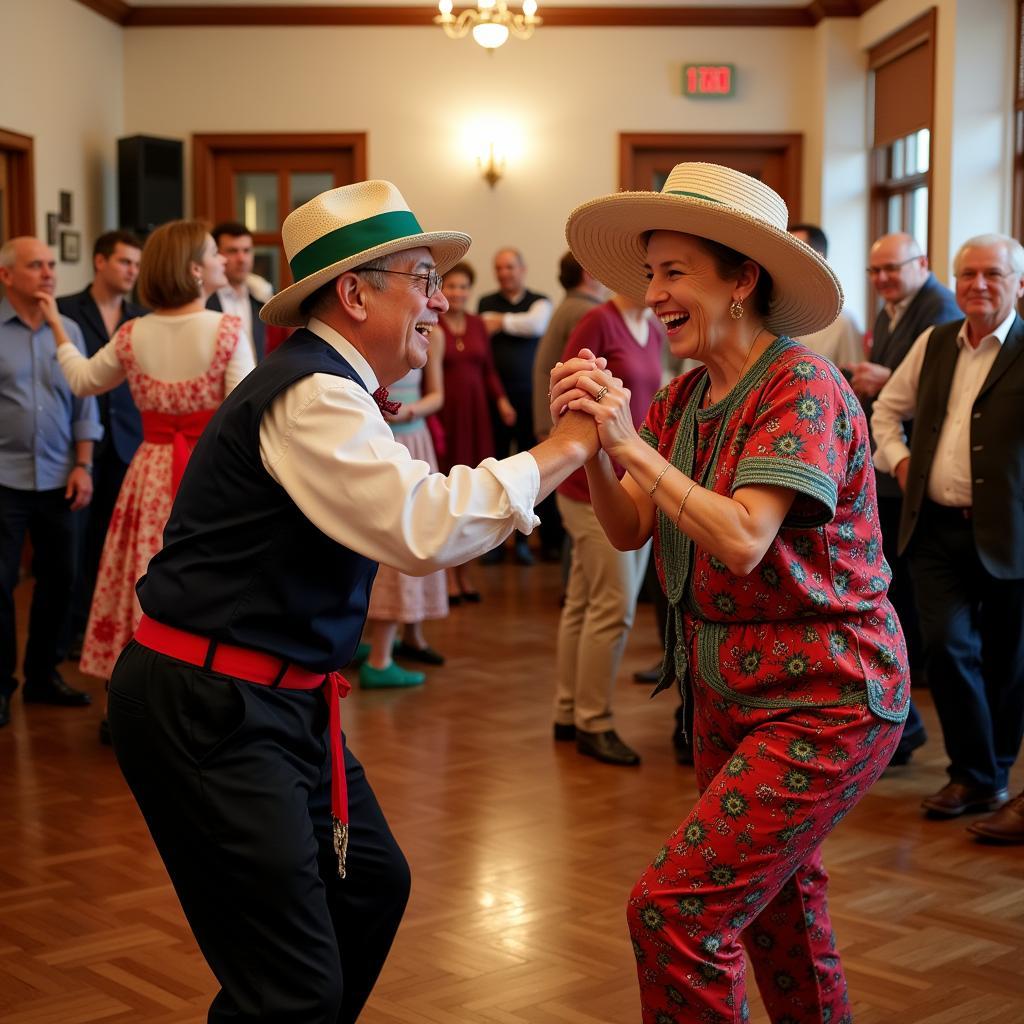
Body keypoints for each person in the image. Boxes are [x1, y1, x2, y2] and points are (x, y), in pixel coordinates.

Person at [105, 180, 601, 1024]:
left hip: (279, 698)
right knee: (294, 983)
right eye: (422, 276)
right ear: (355, 292)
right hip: (212, 705)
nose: (441, 299)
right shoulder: (312, 392)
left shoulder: (334, 385)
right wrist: (564, 447)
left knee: (369, 888)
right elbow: (422, 526)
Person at [554, 163, 909, 1022]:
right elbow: (636, 528)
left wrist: (634, 446)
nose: (656, 293)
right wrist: (604, 447)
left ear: (742, 277)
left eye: (676, 271)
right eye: (650, 275)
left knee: (673, 914)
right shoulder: (682, 397)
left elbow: (746, 537)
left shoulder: (803, 388)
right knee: (778, 912)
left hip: (826, 697)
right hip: (728, 693)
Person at [47, 220, 254, 699]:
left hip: (149, 472)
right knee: (207, 578)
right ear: (194, 271)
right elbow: (246, 416)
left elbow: (80, 380)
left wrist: (58, 329)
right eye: (213, 254)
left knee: (142, 572)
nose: (223, 260)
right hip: (209, 476)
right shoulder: (227, 330)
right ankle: (201, 689)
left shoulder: (131, 333)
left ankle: (135, 693)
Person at [871, 232, 1024, 843]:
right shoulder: (935, 342)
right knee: (945, 648)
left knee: (1007, 663)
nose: (978, 285)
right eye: (968, 275)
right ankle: (975, 775)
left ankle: (991, 775)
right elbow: (885, 411)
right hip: (933, 529)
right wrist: (901, 463)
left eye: (991, 274)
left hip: (1010, 533)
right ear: (953, 282)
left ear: (1017, 283)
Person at [851, 231, 960, 765]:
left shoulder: (940, 308)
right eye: (875, 272)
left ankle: (902, 720)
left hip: (912, 477)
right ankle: (899, 720)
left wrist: (886, 380)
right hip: (890, 473)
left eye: (891, 269)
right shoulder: (899, 309)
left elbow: (949, 389)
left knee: (898, 606)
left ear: (922, 263)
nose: (882, 280)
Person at [553, 294, 662, 766]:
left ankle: (568, 710)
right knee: (613, 607)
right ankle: (593, 721)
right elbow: (563, 395)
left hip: (631, 482)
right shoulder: (599, 321)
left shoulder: (654, 329)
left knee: (585, 599)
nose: (659, 287)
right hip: (589, 486)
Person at [0, 237, 101, 729]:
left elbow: (86, 405)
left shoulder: (72, 331)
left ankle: (42, 675)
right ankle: (2, 686)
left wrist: (83, 465)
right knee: (1, 585)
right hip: (5, 481)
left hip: (63, 476)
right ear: (7, 276)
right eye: (35, 265)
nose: (47, 273)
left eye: (50, 264)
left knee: (61, 579)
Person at [58, 230, 146, 656]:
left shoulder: (141, 319)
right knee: (75, 543)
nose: (132, 271)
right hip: (77, 445)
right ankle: (73, 629)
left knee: (117, 545)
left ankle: (112, 626)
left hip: (131, 443)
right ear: (99, 261)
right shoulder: (65, 312)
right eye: (125, 262)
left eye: (136, 264)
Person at [359, 336, 449, 689]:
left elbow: (436, 394)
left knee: (413, 530)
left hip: (412, 440)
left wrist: (410, 411)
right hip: (379, 440)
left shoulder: (434, 338)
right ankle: (376, 651)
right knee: (384, 538)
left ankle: (395, 642)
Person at [435, 261, 515, 603]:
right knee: (446, 493)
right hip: (445, 415)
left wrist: (502, 401)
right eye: (451, 286)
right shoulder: (431, 322)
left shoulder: (477, 324)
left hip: (477, 415)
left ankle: (465, 575)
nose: (458, 293)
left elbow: (488, 370)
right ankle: (446, 580)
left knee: (472, 492)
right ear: (442, 289)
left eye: (464, 287)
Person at [479, 247, 552, 564]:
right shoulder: (485, 303)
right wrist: (503, 321)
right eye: (499, 268)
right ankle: (492, 544)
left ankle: (527, 541)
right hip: (494, 398)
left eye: (510, 267)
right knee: (492, 470)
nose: (505, 273)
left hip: (530, 398)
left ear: (522, 269)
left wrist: (501, 322)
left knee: (530, 472)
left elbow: (535, 325)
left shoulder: (540, 300)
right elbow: (483, 327)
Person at [787, 222, 864, 366]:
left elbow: (851, 382)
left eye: (795, 251)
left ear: (818, 259)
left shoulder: (842, 323)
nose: (787, 261)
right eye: (785, 252)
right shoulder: (768, 313)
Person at [207, 221, 266, 362]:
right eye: (232, 251)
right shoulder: (204, 300)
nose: (242, 259)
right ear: (217, 255)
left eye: (247, 250)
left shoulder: (262, 297)